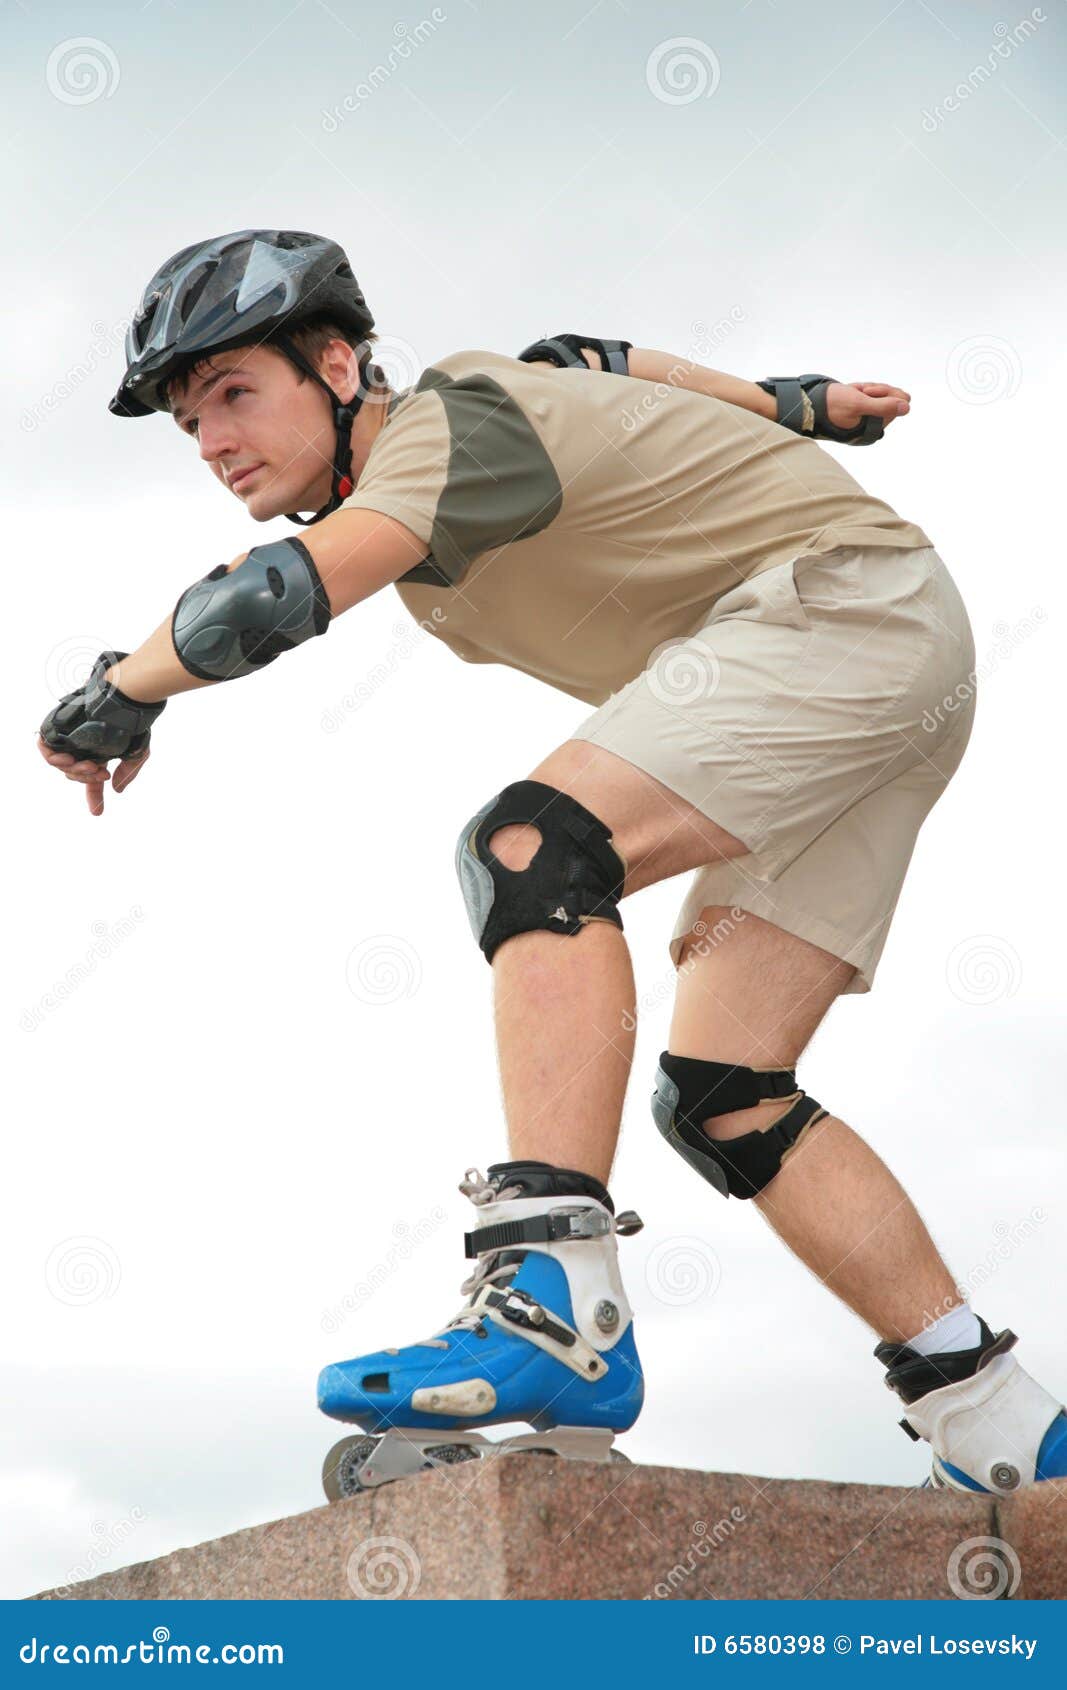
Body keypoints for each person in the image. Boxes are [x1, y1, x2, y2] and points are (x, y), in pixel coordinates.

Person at [38, 229, 1066, 1499]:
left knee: (533, 851)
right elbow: (601, 358)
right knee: (726, 1089)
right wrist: (799, 403)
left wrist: (119, 690)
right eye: (191, 421)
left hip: (837, 610)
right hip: (875, 667)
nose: (214, 442)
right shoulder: (520, 400)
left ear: (339, 363)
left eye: (237, 394)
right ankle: (990, 1414)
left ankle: (554, 1304)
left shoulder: (440, 431)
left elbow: (275, 599)